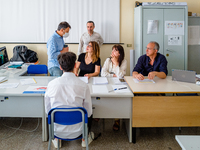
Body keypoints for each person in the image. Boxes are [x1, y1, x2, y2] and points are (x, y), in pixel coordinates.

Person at [45, 52, 94, 148]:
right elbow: (88, 112)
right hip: (78, 131)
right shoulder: (83, 86)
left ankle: (56, 139)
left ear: (60, 67)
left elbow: (48, 111)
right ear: (75, 65)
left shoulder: (51, 84)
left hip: (57, 131)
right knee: (90, 111)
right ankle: (84, 138)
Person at [101, 44, 127, 131]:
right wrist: (114, 75)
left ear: (120, 53)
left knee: (117, 100)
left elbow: (120, 76)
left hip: (119, 85)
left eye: (115, 50)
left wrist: (116, 63)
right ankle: (100, 115)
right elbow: (103, 74)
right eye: (112, 50)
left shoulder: (124, 61)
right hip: (107, 83)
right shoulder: (108, 60)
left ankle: (117, 120)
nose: (112, 52)